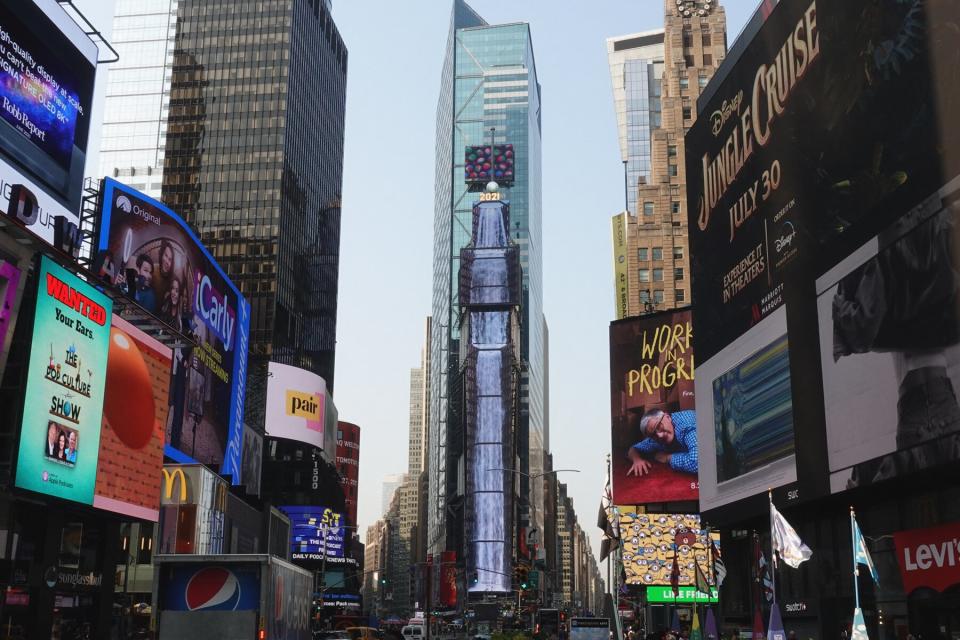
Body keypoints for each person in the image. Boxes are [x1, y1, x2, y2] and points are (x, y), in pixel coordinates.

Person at [626, 408, 698, 476]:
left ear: (667, 417)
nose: (660, 435)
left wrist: (668, 458)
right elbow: (634, 448)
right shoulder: (655, 440)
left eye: (659, 426)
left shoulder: (685, 426)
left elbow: (698, 462)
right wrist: (637, 460)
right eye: (653, 434)